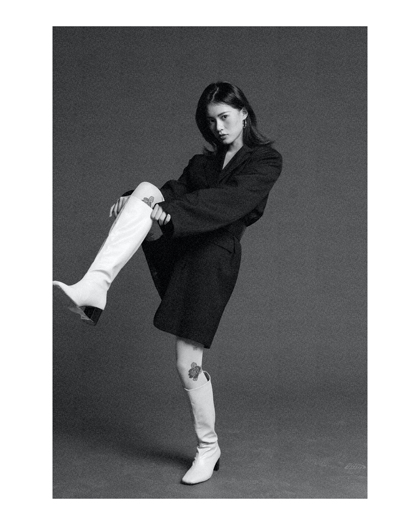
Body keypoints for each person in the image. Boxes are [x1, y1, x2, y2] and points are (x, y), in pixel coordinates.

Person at [53, 81, 283, 485]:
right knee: (144, 190)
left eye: (225, 117)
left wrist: (168, 211)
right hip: (181, 252)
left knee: (186, 363)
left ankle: (208, 448)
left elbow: (227, 203)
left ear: (244, 113)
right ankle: (95, 285)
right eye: (211, 121)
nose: (218, 128)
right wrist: (136, 202)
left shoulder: (265, 161)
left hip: (212, 260)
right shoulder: (201, 164)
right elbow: (169, 192)